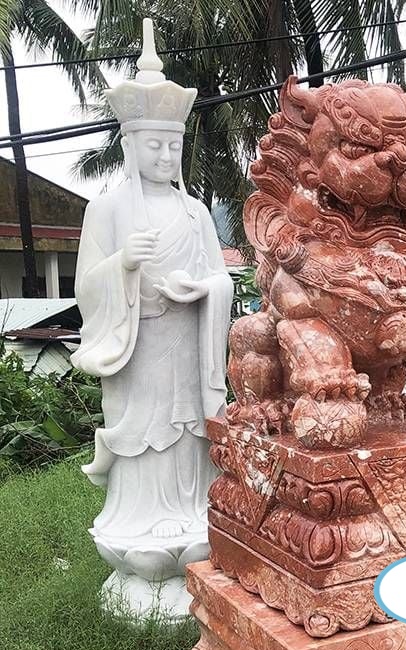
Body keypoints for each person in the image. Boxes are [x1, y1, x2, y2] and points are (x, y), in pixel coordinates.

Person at [72, 19, 232, 612]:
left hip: (188, 349)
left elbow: (222, 278)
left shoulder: (195, 214)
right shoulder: (107, 209)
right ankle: (141, 533)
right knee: (145, 441)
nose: (165, 155)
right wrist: (122, 265)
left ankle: (194, 519)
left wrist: (203, 290)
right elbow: (86, 289)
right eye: (153, 145)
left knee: (188, 438)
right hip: (137, 352)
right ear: (130, 144)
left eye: (173, 146)